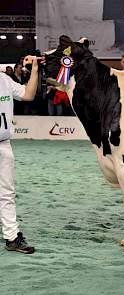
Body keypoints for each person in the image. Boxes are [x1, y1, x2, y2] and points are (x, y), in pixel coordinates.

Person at [0, 56, 43, 254]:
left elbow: (28, 94)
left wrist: (35, 69)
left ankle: (12, 237)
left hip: (3, 145)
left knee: (6, 194)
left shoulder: (5, 80)